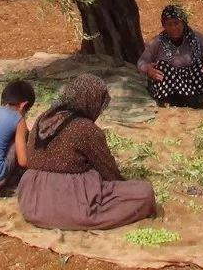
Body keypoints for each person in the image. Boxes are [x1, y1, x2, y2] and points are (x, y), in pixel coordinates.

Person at [17, 74, 157, 230]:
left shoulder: (42, 118)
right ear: (92, 102)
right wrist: (121, 188)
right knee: (145, 193)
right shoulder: (85, 128)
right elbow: (108, 171)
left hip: (32, 200)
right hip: (68, 203)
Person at [136, 5, 203, 109]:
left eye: (176, 23)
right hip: (168, 87)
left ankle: (185, 100)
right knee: (161, 66)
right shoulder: (157, 42)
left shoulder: (197, 38)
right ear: (164, 25)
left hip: (192, 85)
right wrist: (148, 69)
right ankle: (194, 101)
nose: (173, 28)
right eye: (169, 24)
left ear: (183, 23)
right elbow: (141, 62)